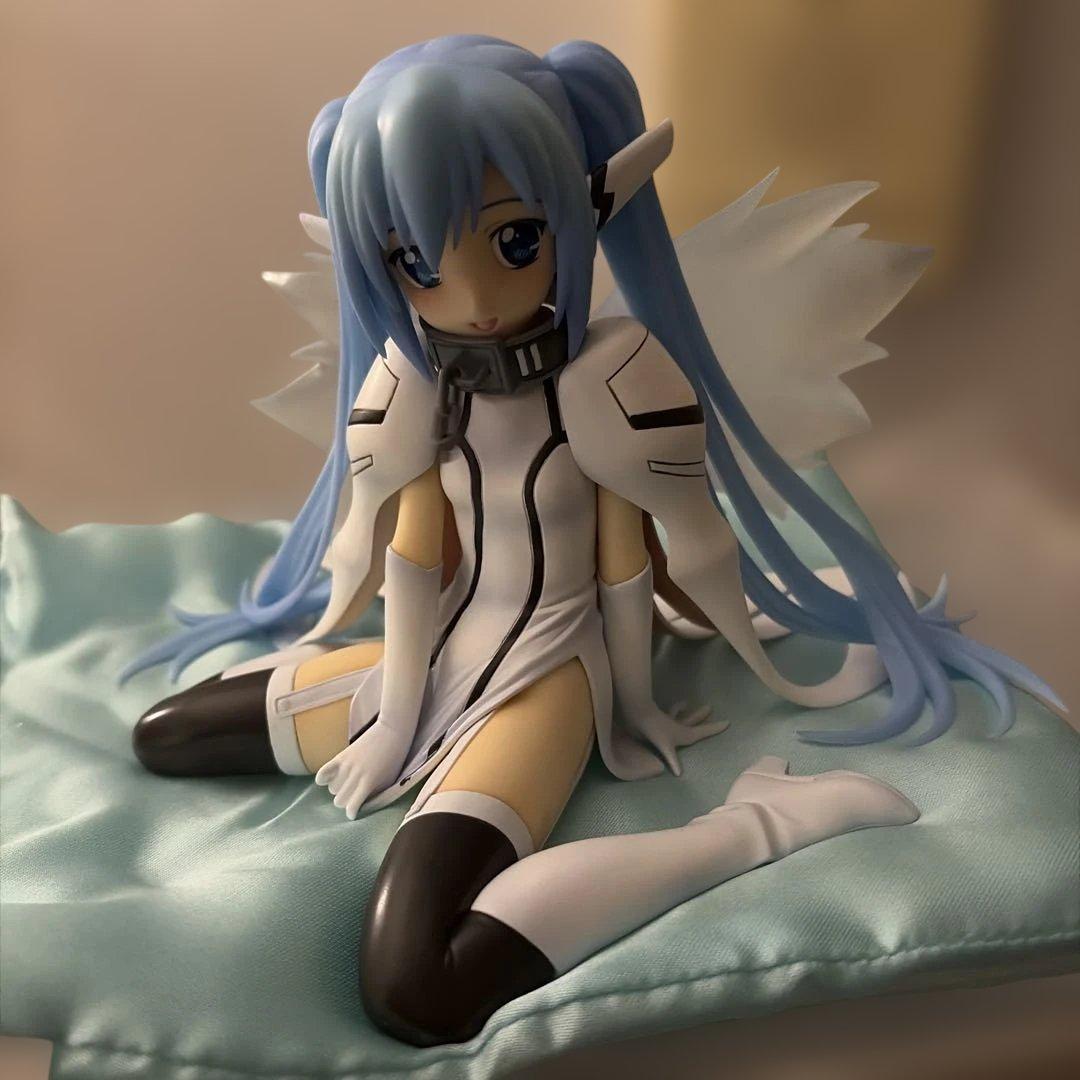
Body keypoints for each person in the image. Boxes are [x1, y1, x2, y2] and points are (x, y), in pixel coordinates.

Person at [126, 35, 1054, 1044]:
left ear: (577, 216)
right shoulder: (411, 385)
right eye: (418, 262)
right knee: (166, 734)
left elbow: (624, 558)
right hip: (434, 659)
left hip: (550, 677)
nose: (474, 299)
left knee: (417, 982)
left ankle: (755, 823)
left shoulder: (611, 378)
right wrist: (394, 713)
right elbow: (415, 554)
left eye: (515, 240)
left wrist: (633, 702)